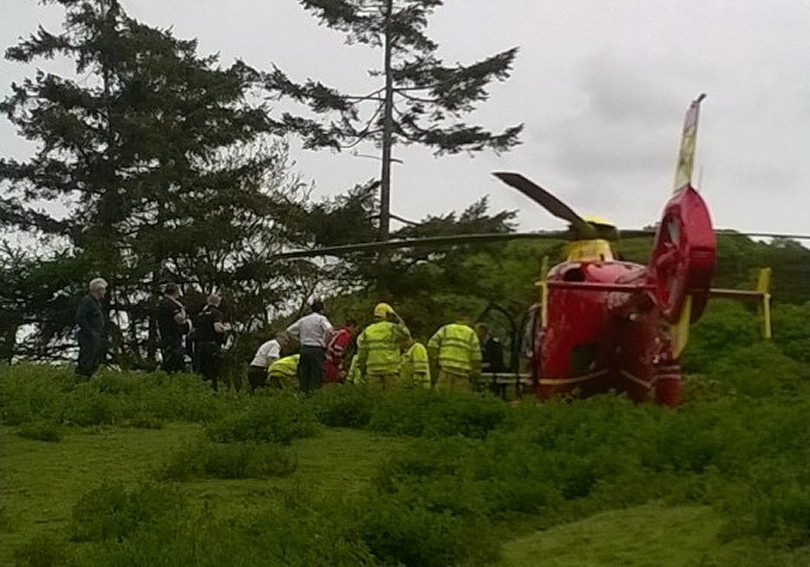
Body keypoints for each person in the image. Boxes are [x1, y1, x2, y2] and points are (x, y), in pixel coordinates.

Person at [356, 303, 410, 388]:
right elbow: (406, 335)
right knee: (393, 396)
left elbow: (362, 353)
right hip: (391, 371)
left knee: (375, 396)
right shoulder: (393, 328)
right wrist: (398, 318)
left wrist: (362, 369)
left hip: (373, 372)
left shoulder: (367, 330)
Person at [285, 300, 333, 393]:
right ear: (322, 310)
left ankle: (303, 395)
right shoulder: (321, 319)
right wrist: (325, 342)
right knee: (316, 375)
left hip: (304, 349)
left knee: (304, 374)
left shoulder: (303, 320)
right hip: (316, 349)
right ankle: (314, 395)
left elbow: (289, 330)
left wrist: (299, 340)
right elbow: (329, 330)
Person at [428, 317, 482, 392]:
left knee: (442, 395)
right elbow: (476, 355)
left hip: (445, 370)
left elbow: (432, 344)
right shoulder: (471, 333)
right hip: (462, 374)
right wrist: (476, 372)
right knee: (459, 397)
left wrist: (436, 358)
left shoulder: (446, 329)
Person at [192, 293, 231, 390]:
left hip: (199, 346)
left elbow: (193, 329)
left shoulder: (200, 314)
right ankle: (213, 392)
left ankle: (200, 391)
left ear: (208, 301)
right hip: (211, 346)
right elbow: (218, 328)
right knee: (213, 373)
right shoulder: (216, 313)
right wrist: (227, 327)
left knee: (201, 373)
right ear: (218, 302)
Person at [75, 277, 108, 377]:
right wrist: (90, 332)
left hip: (95, 335)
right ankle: (80, 379)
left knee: (93, 360)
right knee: (86, 360)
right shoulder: (87, 301)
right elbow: (80, 317)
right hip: (88, 336)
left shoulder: (96, 303)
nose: (105, 292)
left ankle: (88, 379)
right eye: (104, 289)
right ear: (99, 290)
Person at [157, 283, 191, 374]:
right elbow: (180, 319)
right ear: (176, 292)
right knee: (175, 363)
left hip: (167, 336)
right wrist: (182, 309)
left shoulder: (162, 303)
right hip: (172, 337)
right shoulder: (169, 304)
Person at [324, 318, 358, 384]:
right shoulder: (345, 335)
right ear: (352, 326)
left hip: (327, 359)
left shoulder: (339, 332)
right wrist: (339, 365)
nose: (355, 332)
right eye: (355, 329)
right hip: (331, 362)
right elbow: (337, 349)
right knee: (331, 383)